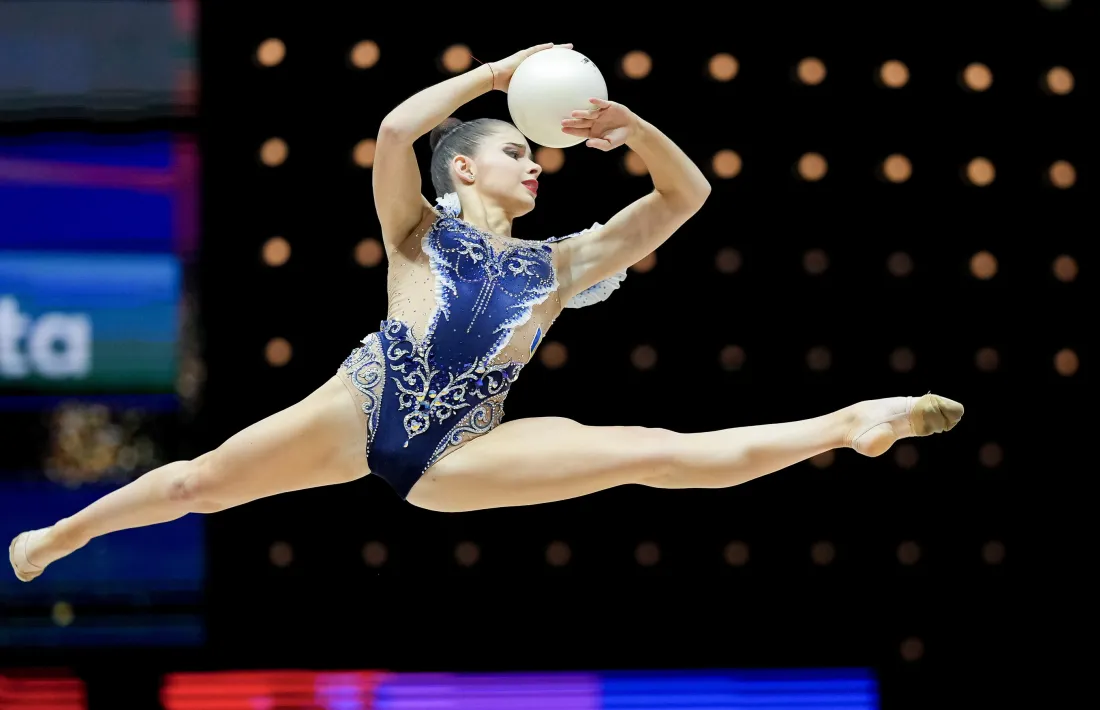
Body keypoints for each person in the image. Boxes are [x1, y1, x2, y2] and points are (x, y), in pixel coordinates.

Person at [10, 43, 963, 582]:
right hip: (362, 405)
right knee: (197, 485)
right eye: (518, 152)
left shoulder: (565, 261)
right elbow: (394, 131)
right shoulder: (414, 229)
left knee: (654, 451)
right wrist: (491, 76)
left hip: (461, 453)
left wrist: (634, 129)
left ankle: (847, 425)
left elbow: (687, 199)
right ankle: (60, 537)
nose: (538, 163)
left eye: (535, 155)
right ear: (465, 165)